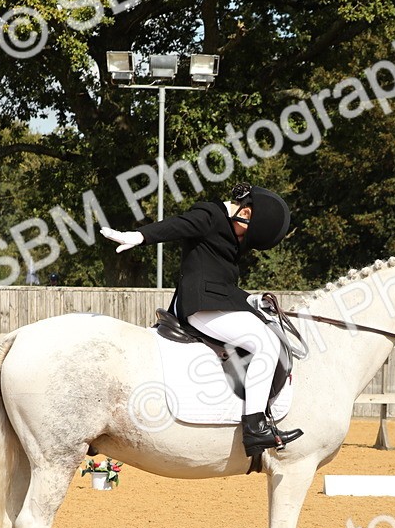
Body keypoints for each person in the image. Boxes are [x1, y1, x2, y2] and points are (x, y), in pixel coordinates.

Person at [100, 184, 303, 457]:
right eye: (248, 235)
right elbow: (176, 226)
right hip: (202, 306)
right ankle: (255, 427)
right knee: (263, 344)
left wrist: (252, 300)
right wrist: (139, 236)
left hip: (218, 301)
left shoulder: (232, 229)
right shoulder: (210, 215)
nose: (244, 242)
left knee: (265, 332)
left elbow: (225, 283)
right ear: (245, 212)